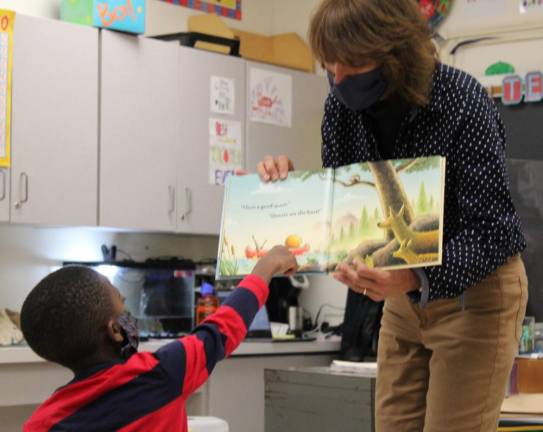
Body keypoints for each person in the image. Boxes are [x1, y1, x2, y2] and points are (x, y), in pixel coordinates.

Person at [256, 0, 528, 430]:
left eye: (353, 64)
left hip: (475, 297)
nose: (338, 77)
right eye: (330, 64)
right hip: (403, 299)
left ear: (395, 55)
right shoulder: (340, 109)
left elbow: (496, 231)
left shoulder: (462, 102)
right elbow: (341, 208)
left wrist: (416, 277)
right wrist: (290, 192)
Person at [20, 246, 297, 432]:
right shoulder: (163, 372)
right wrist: (266, 267)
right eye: (124, 305)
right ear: (115, 331)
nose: (129, 314)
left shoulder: (42, 424)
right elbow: (223, 327)